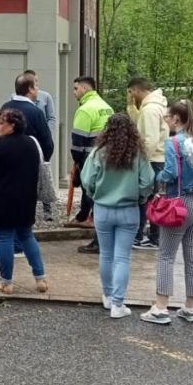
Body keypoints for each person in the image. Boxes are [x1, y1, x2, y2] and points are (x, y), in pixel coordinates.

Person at [141, 99, 193, 325]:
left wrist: (158, 180)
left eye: (168, 117)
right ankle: (190, 308)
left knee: (166, 255)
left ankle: (160, 308)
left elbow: (170, 172)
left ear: (176, 118)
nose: (166, 120)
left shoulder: (173, 143)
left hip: (180, 203)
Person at [81, 113, 155, 319]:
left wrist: (96, 194)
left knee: (106, 254)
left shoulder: (98, 152)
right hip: (129, 209)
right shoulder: (137, 154)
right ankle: (118, 304)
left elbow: (87, 180)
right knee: (122, 257)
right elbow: (148, 180)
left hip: (103, 209)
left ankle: (106, 296)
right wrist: (140, 196)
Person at [0, 107, 48, 295]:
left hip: (2, 198)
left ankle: (6, 282)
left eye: (1, 123)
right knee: (27, 235)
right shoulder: (31, 144)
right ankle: (40, 278)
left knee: (4, 237)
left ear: (12, 125)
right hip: (25, 198)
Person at [69, 75, 114, 254]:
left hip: (90, 158)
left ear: (85, 89)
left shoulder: (85, 110)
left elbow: (78, 141)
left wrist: (77, 161)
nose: (74, 93)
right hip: (109, 158)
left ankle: (98, 240)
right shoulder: (107, 107)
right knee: (101, 197)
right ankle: (85, 217)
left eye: (75, 89)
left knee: (93, 195)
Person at [2, 75, 55, 222]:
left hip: (8, 161)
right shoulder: (35, 112)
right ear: (30, 89)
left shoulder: (5, 108)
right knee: (26, 204)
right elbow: (47, 142)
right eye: (36, 86)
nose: (38, 89)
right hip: (29, 164)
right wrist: (43, 159)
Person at [128, 77, 169, 250]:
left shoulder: (150, 110)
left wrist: (142, 162)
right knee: (153, 199)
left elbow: (150, 139)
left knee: (144, 199)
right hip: (158, 159)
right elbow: (140, 123)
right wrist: (131, 107)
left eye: (130, 93)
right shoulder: (155, 106)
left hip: (152, 160)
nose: (129, 96)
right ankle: (152, 237)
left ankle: (145, 237)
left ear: (136, 90)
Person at [22, 69, 57, 140]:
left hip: (40, 137)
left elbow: (51, 118)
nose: (37, 83)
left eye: (37, 80)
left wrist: (46, 133)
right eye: (35, 81)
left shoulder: (46, 96)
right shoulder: (15, 97)